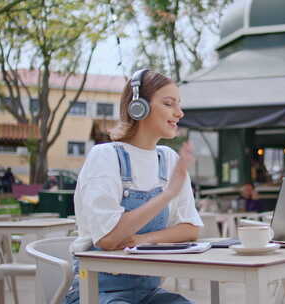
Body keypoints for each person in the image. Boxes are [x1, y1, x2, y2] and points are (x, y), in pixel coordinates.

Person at [65, 69, 202, 304]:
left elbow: (190, 228)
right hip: (96, 292)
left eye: (178, 105)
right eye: (169, 104)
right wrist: (167, 195)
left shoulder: (168, 159)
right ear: (139, 107)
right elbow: (108, 239)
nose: (179, 113)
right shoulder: (105, 156)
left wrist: (144, 239)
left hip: (148, 293)